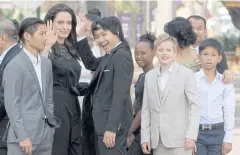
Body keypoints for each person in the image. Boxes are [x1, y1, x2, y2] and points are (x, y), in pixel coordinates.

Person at [75, 15, 134, 155]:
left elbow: (120, 95)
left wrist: (112, 128)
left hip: (111, 128)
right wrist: (81, 36)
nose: (101, 40)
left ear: (116, 31)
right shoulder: (111, 54)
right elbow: (91, 63)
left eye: (104, 34)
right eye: (97, 36)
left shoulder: (121, 56)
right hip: (101, 125)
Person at [2, 17, 60, 155]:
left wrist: (50, 129)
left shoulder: (46, 64)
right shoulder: (15, 65)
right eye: (42, 33)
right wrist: (22, 136)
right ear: (27, 36)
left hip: (45, 137)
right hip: (22, 139)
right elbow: (11, 104)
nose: (46, 37)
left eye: (46, 33)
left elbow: (49, 99)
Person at [141, 33, 200, 155]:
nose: (164, 53)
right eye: (160, 50)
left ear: (175, 52)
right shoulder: (149, 76)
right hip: (158, 141)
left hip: (182, 141)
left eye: (168, 50)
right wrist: (145, 137)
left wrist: (191, 135)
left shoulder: (186, 74)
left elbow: (195, 106)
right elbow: (146, 110)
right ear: (155, 52)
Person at [42, 4, 88, 155]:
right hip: (55, 105)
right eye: (60, 22)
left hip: (73, 103)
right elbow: (38, 72)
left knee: (75, 148)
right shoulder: (44, 46)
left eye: (69, 23)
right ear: (50, 23)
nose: (65, 27)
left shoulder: (70, 46)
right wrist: (46, 46)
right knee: (58, 148)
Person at [195, 38, 235, 155]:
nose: (209, 58)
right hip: (197, 132)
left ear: (219, 58)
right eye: (205, 54)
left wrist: (228, 139)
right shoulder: (192, 79)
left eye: (213, 55)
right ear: (199, 57)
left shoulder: (225, 82)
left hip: (218, 132)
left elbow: (229, 111)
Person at [165, 17, 234, 83]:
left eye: (199, 28)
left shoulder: (211, 50)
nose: (195, 31)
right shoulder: (165, 56)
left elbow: (221, 72)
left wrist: (227, 72)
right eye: (192, 28)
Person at [127, 32, 155, 155]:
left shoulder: (154, 77)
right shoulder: (142, 76)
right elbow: (137, 103)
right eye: (136, 53)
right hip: (137, 130)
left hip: (146, 132)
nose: (139, 56)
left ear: (154, 53)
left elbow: (145, 108)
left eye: (143, 53)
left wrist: (130, 130)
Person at [0, 18, 22, 155]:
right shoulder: (17, 54)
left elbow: (6, 98)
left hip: (9, 133)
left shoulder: (13, 60)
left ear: (2, 38)